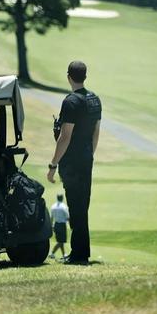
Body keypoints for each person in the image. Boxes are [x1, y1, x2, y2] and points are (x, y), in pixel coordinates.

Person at [47, 61, 102, 265]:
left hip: (71, 162)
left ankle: (79, 255)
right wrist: (90, 155)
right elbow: (96, 133)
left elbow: (65, 136)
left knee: (76, 206)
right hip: (87, 159)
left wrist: (53, 165)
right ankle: (81, 252)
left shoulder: (70, 102)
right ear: (85, 76)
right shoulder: (95, 100)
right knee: (82, 206)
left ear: (69, 76)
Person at [49, 194, 69, 260]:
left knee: (60, 240)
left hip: (56, 224)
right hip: (62, 225)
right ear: (62, 198)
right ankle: (52, 253)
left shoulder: (53, 206)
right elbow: (67, 217)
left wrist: (51, 226)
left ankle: (64, 254)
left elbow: (51, 217)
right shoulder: (64, 206)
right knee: (61, 241)